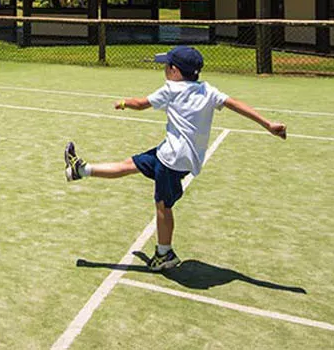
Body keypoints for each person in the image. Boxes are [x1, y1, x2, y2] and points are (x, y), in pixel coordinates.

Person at [63, 46, 287, 271]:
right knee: (130, 165)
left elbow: (141, 104)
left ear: (175, 71)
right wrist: (267, 124)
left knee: (163, 206)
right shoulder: (207, 90)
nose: (164, 68)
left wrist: (123, 103)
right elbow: (235, 104)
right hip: (173, 156)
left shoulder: (171, 89)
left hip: (171, 160)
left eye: (166, 65)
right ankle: (79, 170)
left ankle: (164, 253)